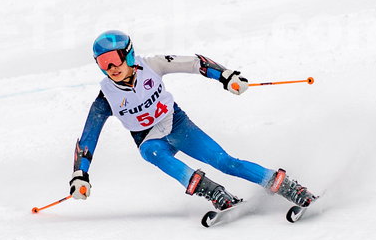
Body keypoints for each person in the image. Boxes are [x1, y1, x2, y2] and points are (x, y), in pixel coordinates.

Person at [69, 30, 315, 213]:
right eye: (102, 62)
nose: (110, 67)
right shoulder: (105, 99)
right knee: (149, 152)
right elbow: (88, 138)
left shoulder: (153, 65)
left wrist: (226, 77)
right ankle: (213, 191)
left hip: (177, 125)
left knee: (225, 162)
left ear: (129, 53)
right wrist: (81, 174)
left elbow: (195, 63)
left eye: (114, 58)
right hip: (149, 138)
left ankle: (286, 185)